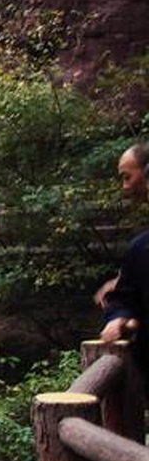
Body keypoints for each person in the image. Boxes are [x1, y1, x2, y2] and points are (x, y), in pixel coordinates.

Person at [99, 143, 149, 370]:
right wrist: (120, 318)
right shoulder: (140, 248)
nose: (125, 186)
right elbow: (124, 299)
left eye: (127, 177)